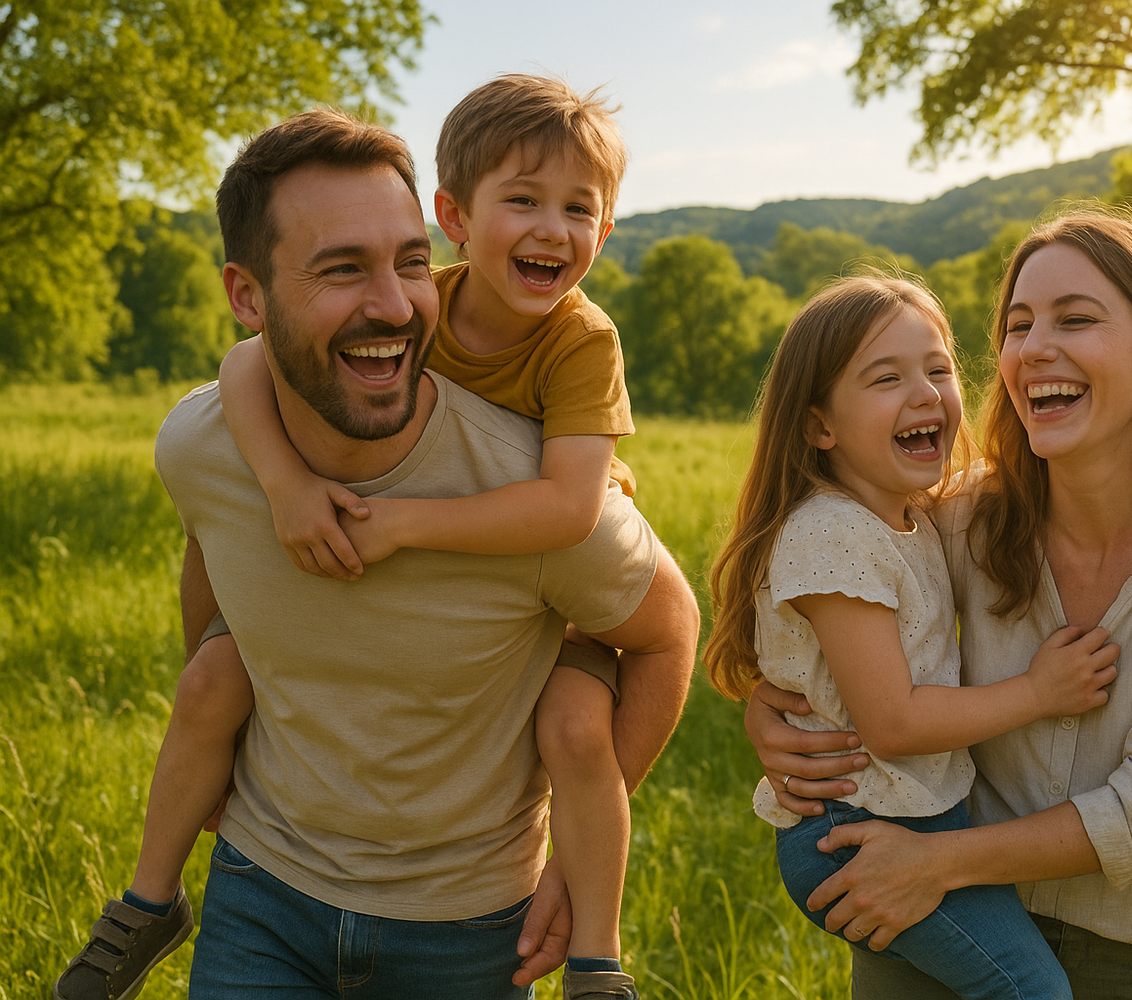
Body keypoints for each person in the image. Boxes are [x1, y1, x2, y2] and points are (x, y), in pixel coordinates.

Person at [54, 107, 697, 1000]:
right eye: (343, 268)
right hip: (260, 891)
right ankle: (145, 904)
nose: (394, 304)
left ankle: (598, 961)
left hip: (467, 925)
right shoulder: (208, 442)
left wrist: (576, 861)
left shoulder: (566, 391)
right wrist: (282, 486)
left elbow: (637, 591)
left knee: (575, 723)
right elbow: (221, 492)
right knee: (212, 676)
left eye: (402, 263)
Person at [744, 210, 1132, 1000]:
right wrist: (775, 713)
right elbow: (838, 616)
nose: (1032, 347)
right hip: (936, 920)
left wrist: (937, 862)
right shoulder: (966, 515)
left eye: (1075, 319)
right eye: (1018, 326)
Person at [702, 274, 1121, 999]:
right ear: (819, 427)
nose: (926, 394)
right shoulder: (833, 535)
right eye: (887, 378)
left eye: (938, 369)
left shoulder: (912, 513)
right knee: (1031, 991)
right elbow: (891, 723)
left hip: (918, 816)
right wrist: (1037, 692)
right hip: (852, 828)